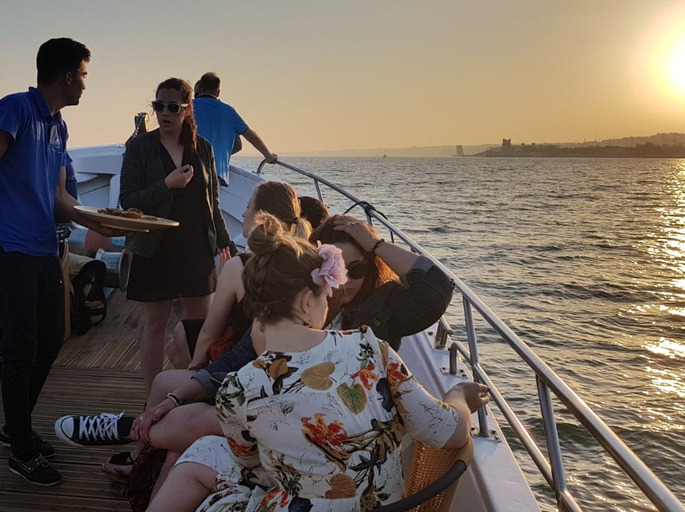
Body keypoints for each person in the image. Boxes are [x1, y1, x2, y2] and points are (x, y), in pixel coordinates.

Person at [54, 212, 454, 492]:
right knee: (172, 393)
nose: (343, 282)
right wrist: (177, 395)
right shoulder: (297, 313)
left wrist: (377, 242)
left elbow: (437, 287)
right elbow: (238, 361)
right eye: (336, 268)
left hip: (322, 435)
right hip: (282, 416)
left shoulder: (380, 315)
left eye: (359, 268)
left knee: (195, 435)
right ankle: (141, 454)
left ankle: (131, 432)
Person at [147, 213, 489, 511]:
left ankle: (133, 438)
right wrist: (458, 394)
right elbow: (451, 431)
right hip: (379, 504)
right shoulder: (371, 347)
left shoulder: (239, 388)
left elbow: (253, 461)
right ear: (307, 301)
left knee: (199, 454)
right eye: (328, 288)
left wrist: (375, 244)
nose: (336, 292)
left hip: (298, 496)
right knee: (199, 444)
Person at [0, 37, 119, 486]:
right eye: (85, 75)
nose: (86, 84)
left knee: (52, 338)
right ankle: (22, 449)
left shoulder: (59, 127)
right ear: (68, 76)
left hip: (44, 248)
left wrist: (103, 220)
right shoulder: (15, 109)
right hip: (9, 249)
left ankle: (16, 425)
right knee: (19, 348)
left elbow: (60, 199)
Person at [119, 77, 237, 394]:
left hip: (196, 248)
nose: (164, 113)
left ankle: (193, 392)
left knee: (201, 331)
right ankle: (153, 398)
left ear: (187, 110)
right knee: (155, 325)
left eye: (173, 107)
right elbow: (127, 200)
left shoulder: (204, 149)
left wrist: (226, 244)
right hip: (153, 247)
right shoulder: (140, 147)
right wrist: (166, 185)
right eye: (158, 106)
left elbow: (213, 204)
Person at [166, 181, 312, 370]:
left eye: (248, 207)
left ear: (263, 216)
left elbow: (210, 332)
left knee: (179, 339)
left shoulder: (242, 266)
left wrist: (194, 378)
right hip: (290, 361)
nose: (243, 214)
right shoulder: (308, 262)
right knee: (176, 342)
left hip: (243, 362)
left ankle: (200, 396)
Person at [193, 71, 277, 187]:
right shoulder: (229, 111)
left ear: (200, 89)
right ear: (218, 92)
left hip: (191, 170)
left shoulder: (188, 108)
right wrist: (268, 155)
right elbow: (251, 135)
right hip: (217, 174)